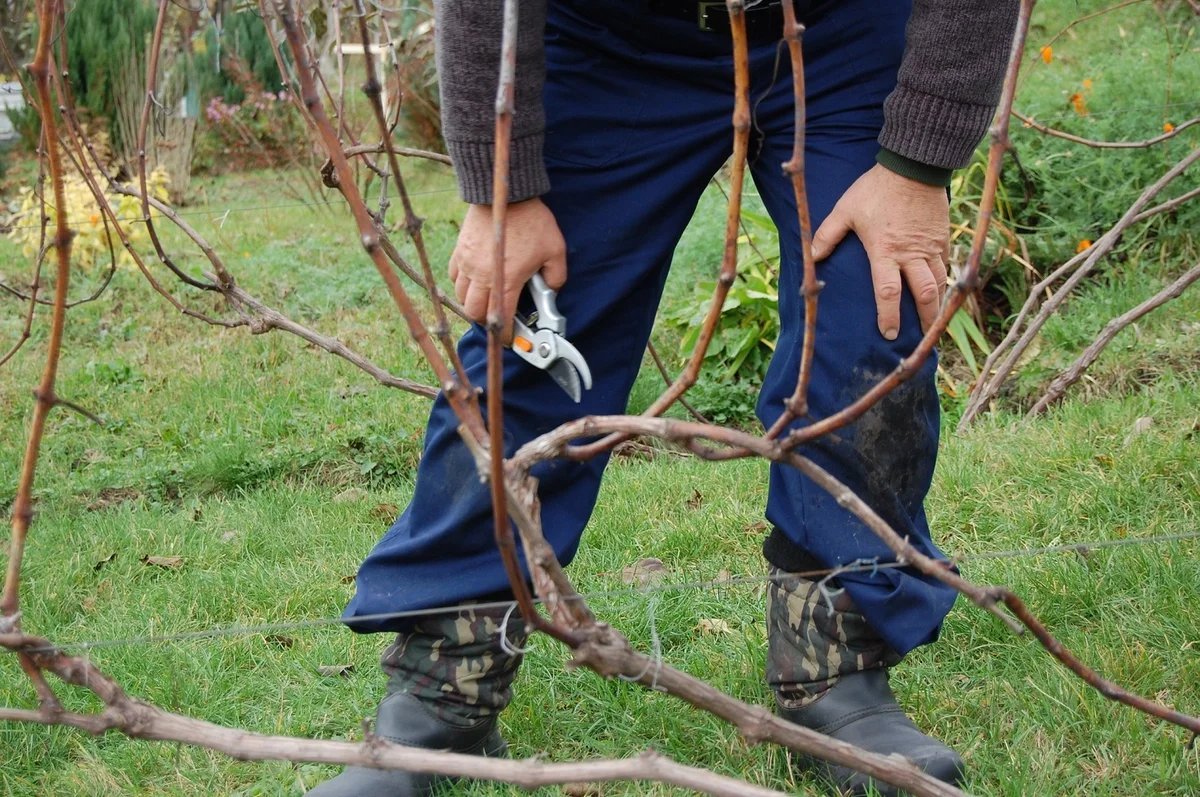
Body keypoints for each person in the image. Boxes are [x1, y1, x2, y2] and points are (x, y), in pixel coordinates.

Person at [311, 0, 1018, 795]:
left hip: (841, 29)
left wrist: (919, 163)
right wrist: (502, 186)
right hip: (612, 36)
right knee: (537, 333)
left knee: (870, 306)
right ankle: (444, 691)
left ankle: (837, 675)